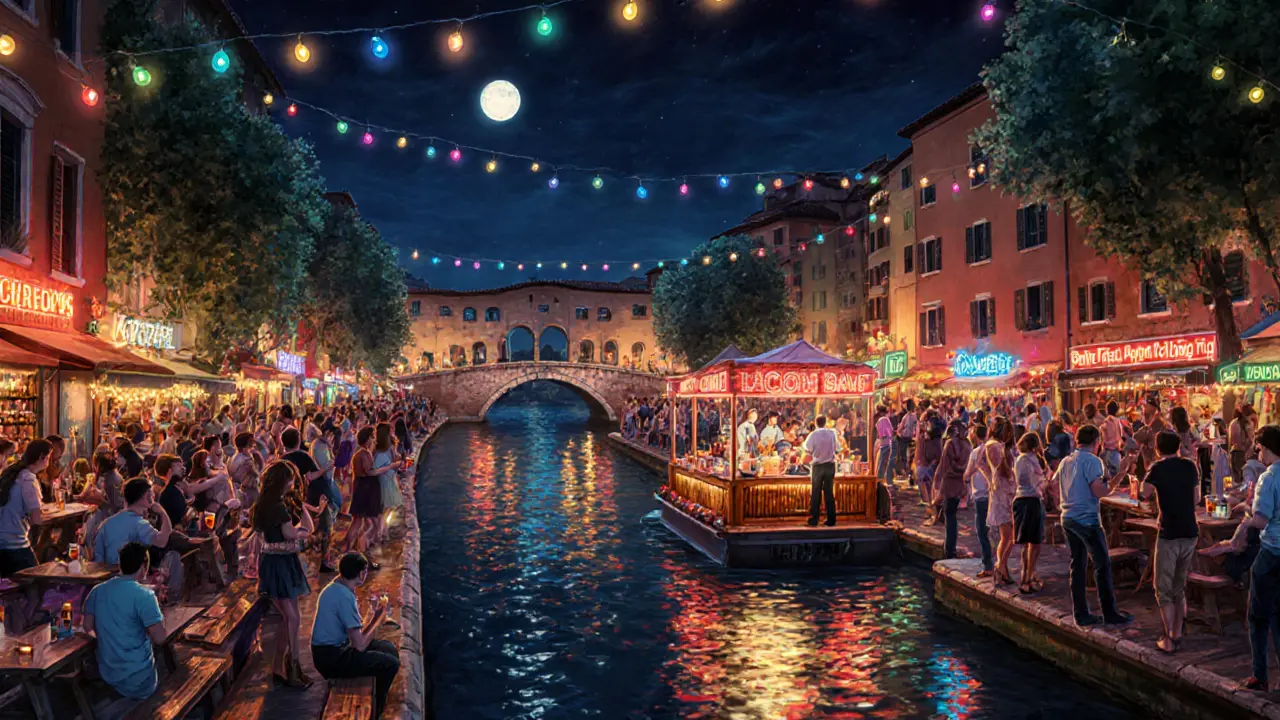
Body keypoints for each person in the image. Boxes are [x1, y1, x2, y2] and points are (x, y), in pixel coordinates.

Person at [1055, 424, 1133, 627]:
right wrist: (1121, 473)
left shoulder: (1066, 461)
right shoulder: (1092, 461)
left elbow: (1055, 486)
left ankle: (1081, 614)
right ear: (1097, 442)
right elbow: (1100, 492)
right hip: (1086, 519)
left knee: (1078, 565)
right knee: (1102, 564)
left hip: (1068, 517)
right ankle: (1109, 613)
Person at [310, 552, 401, 718]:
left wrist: (375, 616)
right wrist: (380, 620)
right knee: (390, 664)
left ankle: (377, 697)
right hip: (332, 659)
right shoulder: (344, 597)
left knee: (389, 648)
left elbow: (356, 634)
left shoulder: (336, 587)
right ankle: (378, 709)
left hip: (335, 649)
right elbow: (360, 645)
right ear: (361, 573)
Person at [252, 460, 317, 688]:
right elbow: (293, 533)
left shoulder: (260, 505)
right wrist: (303, 520)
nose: (292, 483)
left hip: (272, 562)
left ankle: (280, 666)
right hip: (282, 565)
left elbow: (261, 536)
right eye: (290, 480)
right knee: (293, 618)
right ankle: (293, 668)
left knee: (288, 617)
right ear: (283, 481)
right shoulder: (279, 507)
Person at [1139, 431, 1200, 655]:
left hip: (1170, 533)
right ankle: (1177, 632)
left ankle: (1170, 637)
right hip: (1190, 531)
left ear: (1158, 448)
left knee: (1163, 588)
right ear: (1177, 446)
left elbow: (1143, 493)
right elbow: (1196, 499)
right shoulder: (1190, 466)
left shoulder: (1157, 468)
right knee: (1178, 586)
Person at [83, 541, 166, 702]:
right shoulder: (145, 597)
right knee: (165, 667)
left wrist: (110, 639)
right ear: (143, 567)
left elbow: (87, 627)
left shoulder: (97, 591)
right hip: (140, 681)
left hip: (108, 673)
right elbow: (160, 637)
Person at [1241, 425, 1280, 690]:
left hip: (1272, 553)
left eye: (1259, 448)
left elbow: (1261, 520)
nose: (1258, 453)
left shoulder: (1269, 478)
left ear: (1266, 448)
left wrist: (1246, 512)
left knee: (1258, 616)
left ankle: (1260, 675)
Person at [0, 440, 51, 627]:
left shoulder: (11, 473)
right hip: (16, 544)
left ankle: (14, 628)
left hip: (3, 544)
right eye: (48, 457)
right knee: (37, 589)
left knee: (14, 594)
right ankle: (24, 629)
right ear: (42, 457)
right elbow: (36, 519)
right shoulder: (28, 479)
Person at [96, 476, 174, 566]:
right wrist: (163, 512)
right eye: (150, 493)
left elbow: (98, 558)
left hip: (107, 572)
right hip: (130, 572)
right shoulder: (140, 524)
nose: (153, 496)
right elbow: (162, 541)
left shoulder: (106, 523)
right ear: (147, 497)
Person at [1013, 432, 1049, 594]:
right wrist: (1044, 483)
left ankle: (1028, 574)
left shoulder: (1021, 459)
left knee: (1028, 542)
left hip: (1023, 500)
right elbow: (1032, 483)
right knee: (1034, 542)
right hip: (1031, 501)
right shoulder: (1028, 460)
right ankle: (1027, 578)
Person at [347, 427, 386, 566]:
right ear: (368, 438)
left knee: (358, 521)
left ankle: (350, 549)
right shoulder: (364, 453)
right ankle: (363, 552)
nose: (374, 439)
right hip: (365, 491)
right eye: (372, 437)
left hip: (361, 489)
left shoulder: (360, 453)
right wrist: (388, 467)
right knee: (373, 525)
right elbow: (370, 471)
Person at [985, 418, 1016, 585]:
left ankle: (1002, 567)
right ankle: (1000, 567)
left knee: (1009, 535)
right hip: (1003, 492)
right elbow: (1002, 469)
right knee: (1008, 535)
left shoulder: (996, 446)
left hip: (1005, 491)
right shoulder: (994, 446)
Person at [935, 420, 972, 560]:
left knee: (949, 517)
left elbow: (944, 467)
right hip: (960, 484)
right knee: (952, 515)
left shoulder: (949, 445)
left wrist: (938, 487)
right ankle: (950, 547)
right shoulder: (968, 445)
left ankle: (950, 550)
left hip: (949, 484)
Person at [964, 424, 994, 577]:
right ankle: (998, 564)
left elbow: (967, 474)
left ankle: (988, 565)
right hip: (993, 495)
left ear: (975, 435)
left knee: (982, 532)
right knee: (995, 531)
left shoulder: (976, 453)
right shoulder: (993, 450)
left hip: (981, 495)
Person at [803, 415, 839, 527]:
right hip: (830, 465)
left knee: (816, 492)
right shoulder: (832, 433)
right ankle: (831, 519)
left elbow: (807, 448)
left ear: (816, 423)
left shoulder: (813, 434)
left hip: (817, 466)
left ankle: (814, 519)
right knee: (829, 492)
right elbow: (837, 448)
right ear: (825, 422)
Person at [874, 406, 894, 484]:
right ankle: (881, 481)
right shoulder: (884, 420)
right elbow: (887, 433)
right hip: (886, 443)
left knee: (880, 462)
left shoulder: (879, 420)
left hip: (881, 443)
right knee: (883, 463)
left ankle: (880, 480)